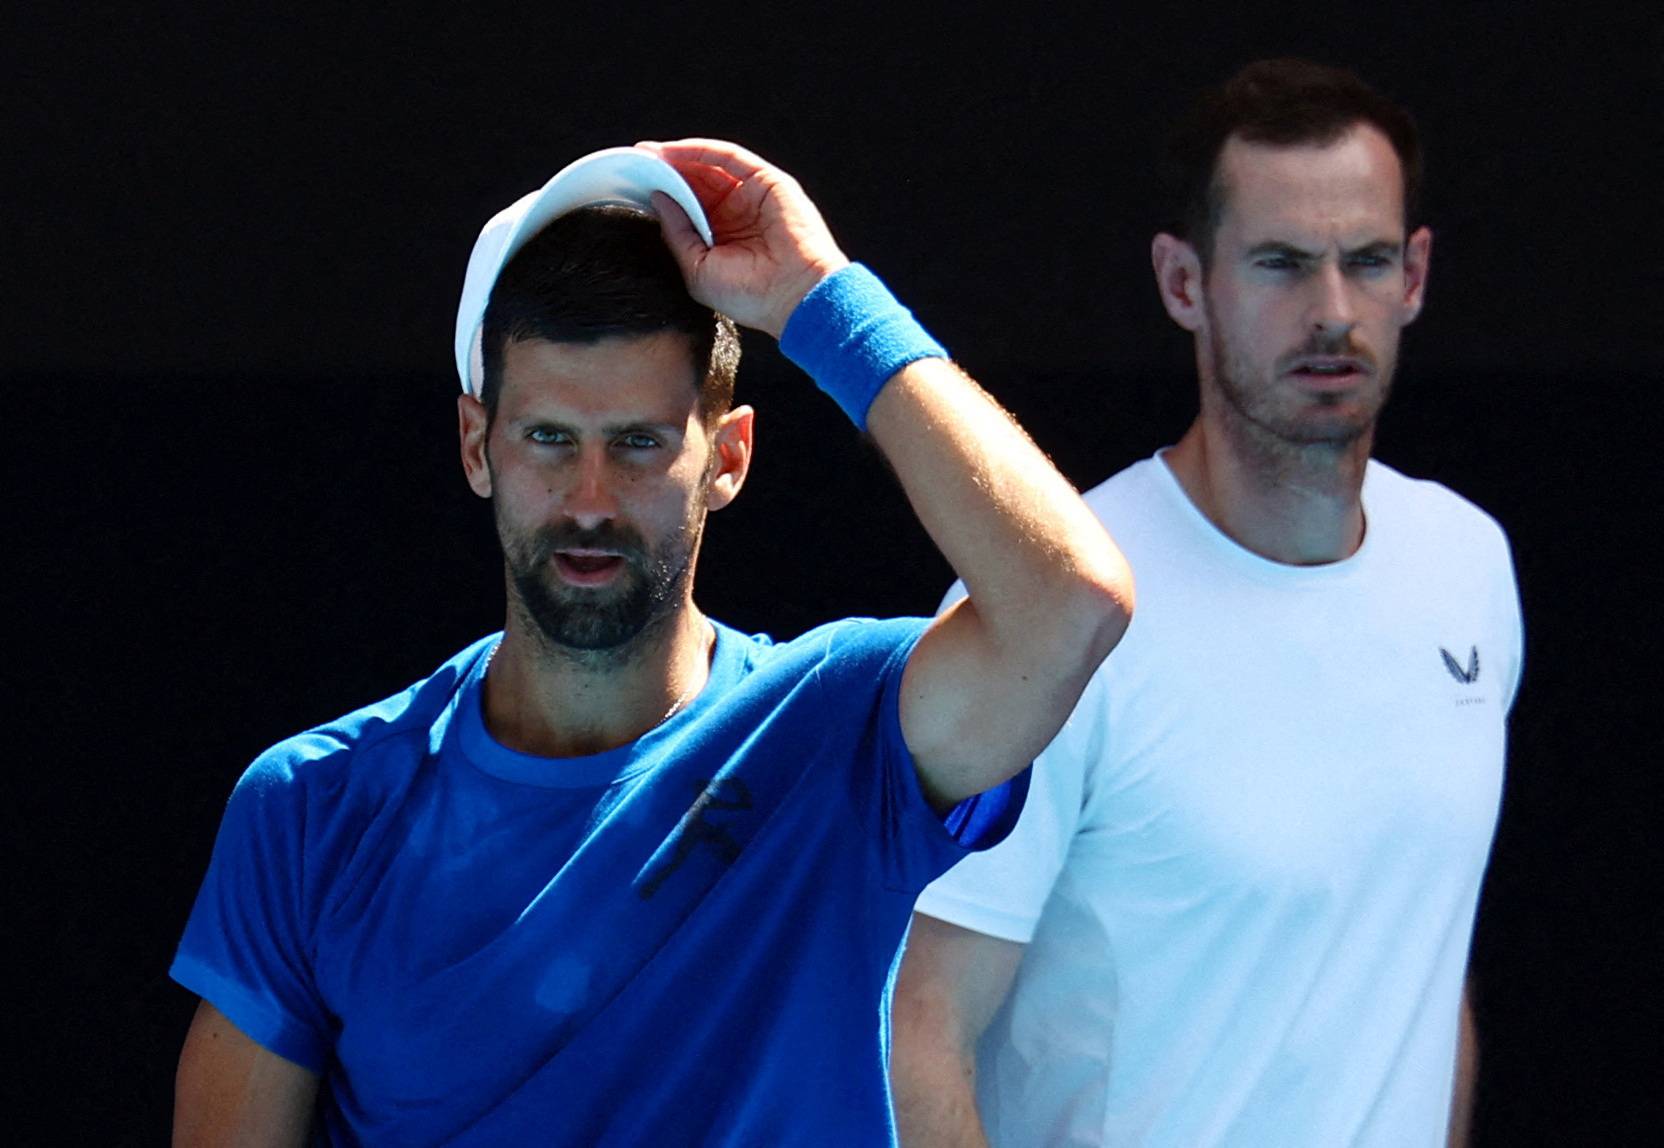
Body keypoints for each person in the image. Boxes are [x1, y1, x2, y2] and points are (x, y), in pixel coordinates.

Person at [167, 139, 1133, 1146]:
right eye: (549, 438)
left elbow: (1070, 604)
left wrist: (821, 298)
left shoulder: (836, 723)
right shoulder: (310, 805)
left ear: (727, 456)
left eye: (637, 442)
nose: (589, 500)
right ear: (474, 446)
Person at [892, 59, 1523, 1147]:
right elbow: (915, 1029)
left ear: (1413, 275)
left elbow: (1416, 957)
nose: (1331, 311)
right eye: (1278, 264)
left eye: (1365, 261)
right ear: (1183, 283)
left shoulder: (1467, 564)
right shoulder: (1059, 613)